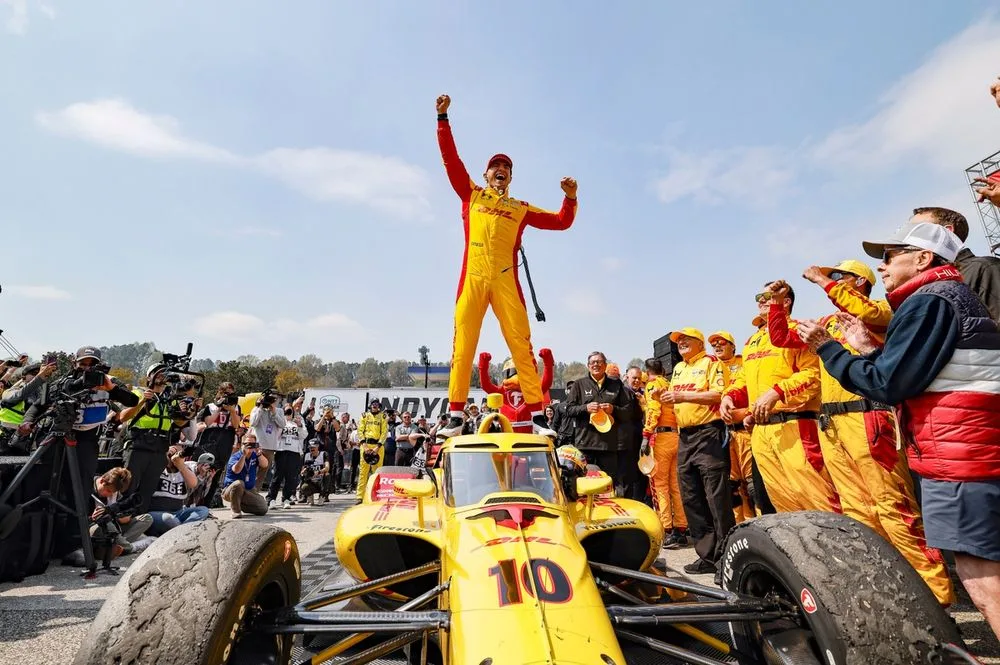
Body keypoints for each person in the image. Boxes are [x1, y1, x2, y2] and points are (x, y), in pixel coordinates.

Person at [798, 222, 1000, 637]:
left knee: (979, 571)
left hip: (957, 453)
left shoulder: (929, 300)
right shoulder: (942, 298)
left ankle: (934, 604)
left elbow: (888, 383)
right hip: (959, 444)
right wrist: (872, 351)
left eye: (890, 256)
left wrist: (828, 347)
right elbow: (916, 370)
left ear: (924, 259)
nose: (884, 265)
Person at [768, 274, 954, 605]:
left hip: (869, 416)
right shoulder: (827, 321)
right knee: (856, 513)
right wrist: (779, 304)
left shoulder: (881, 313)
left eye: (839, 275)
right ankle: (886, 594)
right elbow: (781, 338)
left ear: (859, 282)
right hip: (833, 424)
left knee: (893, 508)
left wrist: (822, 280)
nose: (832, 281)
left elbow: (863, 312)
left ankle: (936, 599)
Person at [435, 93, 578, 437]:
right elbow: (451, 160)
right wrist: (442, 119)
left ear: (510, 177)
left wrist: (570, 198)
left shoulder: (519, 208)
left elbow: (561, 221)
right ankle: (455, 415)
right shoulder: (471, 194)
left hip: (505, 280)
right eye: (496, 167)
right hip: (472, 277)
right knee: (463, 343)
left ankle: (538, 416)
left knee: (521, 344)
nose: (502, 170)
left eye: (507, 168)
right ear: (486, 174)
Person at [720, 286, 842, 515]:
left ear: (785, 301)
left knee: (815, 496)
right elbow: (743, 378)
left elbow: (813, 375)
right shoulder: (753, 341)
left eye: (768, 296)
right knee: (778, 503)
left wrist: (778, 391)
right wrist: (729, 396)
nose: (762, 301)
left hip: (795, 426)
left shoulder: (799, 331)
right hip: (761, 432)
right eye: (759, 297)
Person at [659, 329, 732, 577]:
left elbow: (719, 394)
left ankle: (726, 557)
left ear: (699, 343)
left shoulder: (711, 363)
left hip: (709, 433)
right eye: (677, 341)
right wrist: (665, 397)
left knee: (716, 497)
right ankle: (707, 556)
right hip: (685, 437)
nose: (680, 343)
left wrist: (682, 395)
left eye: (685, 339)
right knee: (691, 497)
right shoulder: (678, 369)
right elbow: (676, 400)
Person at [909, 207, 1000, 323]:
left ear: (947, 232)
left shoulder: (985, 269)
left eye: (918, 230)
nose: (907, 238)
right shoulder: (925, 283)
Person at [707, 331, 754, 523]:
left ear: (733, 346)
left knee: (751, 483)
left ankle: (758, 522)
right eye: (715, 345)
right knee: (731, 484)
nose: (718, 347)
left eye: (722, 344)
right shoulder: (710, 367)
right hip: (722, 433)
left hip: (744, 429)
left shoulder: (744, 364)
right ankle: (739, 524)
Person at [562, 352, 631, 481]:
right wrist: (585, 408)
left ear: (605, 365)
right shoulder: (579, 384)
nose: (596, 365)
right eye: (592, 362)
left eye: (599, 362)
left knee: (608, 484)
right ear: (588, 366)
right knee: (585, 483)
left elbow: (627, 412)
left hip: (608, 445)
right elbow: (568, 410)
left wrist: (613, 409)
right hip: (585, 444)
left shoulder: (617, 385)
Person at [119, 363, 178, 513]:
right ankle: (120, 521)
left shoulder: (170, 399)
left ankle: (140, 523)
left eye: (164, 374)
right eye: (157, 373)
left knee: (147, 490)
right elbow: (123, 416)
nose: (161, 377)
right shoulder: (139, 393)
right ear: (149, 377)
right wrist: (142, 401)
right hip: (138, 446)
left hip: (159, 448)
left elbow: (180, 423)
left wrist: (189, 411)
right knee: (128, 487)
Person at [643, 358, 686, 547]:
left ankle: (667, 528)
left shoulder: (652, 385)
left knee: (659, 485)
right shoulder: (670, 384)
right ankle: (681, 527)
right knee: (676, 485)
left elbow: (654, 410)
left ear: (647, 371)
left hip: (660, 438)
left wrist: (646, 435)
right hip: (676, 436)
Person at [477, 349, 555, 433]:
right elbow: (486, 385)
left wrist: (548, 362)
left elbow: (546, 383)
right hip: (508, 431)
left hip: (529, 431)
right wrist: (483, 366)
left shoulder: (532, 389)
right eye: (511, 372)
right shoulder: (502, 391)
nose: (515, 376)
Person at [193, 382, 241, 507]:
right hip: (209, 441)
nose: (229, 396)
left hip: (225, 443)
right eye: (226, 394)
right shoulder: (211, 406)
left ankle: (206, 506)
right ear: (220, 393)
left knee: (215, 475)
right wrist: (219, 407)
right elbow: (207, 422)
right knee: (203, 473)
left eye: (231, 394)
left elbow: (236, 425)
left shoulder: (236, 407)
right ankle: (194, 503)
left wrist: (232, 411)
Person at [147, 446, 212, 535]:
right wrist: (165, 455)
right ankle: (184, 531)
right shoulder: (157, 467)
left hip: (178, 512)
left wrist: (180, 465)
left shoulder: (184, 469)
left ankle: (181, 530)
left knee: (203, 510)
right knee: (170, 520)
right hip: (156, 513)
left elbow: (193, 483)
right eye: (171, 454)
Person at [222, 431, 270, 518]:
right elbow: (236, 470)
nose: (250, 446)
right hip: (230, 490)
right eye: (247, 444)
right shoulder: (235, 456)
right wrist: (243, 456)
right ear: (242, 445)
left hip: (249, 490)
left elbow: (265, 464)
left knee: (263, 509)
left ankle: (239, 503)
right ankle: (235, 510)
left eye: (252, 444)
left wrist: (259, 453)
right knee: (239, 484)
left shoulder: (255, 455)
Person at [269, 406, 308, 509]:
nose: (288, 413)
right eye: (286, 411)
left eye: (290, 411)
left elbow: (304, 435)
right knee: (278, 476)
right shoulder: (280, 421)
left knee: (291, 477)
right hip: (281, 451)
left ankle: (286, 499)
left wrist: (299, 425)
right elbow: (275, 435)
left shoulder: (298, 421)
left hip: (294, 452)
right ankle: (271, 499)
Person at [355, 399, 388, 503]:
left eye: (377, 404)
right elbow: (360, 430)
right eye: (373, 404)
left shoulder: (383, 416)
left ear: (379, 406)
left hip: (378, 446)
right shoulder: (364, 415)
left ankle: (377, 494)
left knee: (377, 472)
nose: (375, 406)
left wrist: (378, 446)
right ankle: (360, 496)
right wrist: (364, 445)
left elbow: (384, 432)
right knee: (363, 471)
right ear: (370, 405)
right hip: (365, 445)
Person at [299, 440, 330, 505]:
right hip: (311, 481)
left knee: (327, 475)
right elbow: (302, 469)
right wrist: (304, 472)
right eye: (310, 447)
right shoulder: (306, 456)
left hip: (321, 481)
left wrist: (318, 472)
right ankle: (309, 496)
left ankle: (322, 496)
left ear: (318, 446)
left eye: (313, 447)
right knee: (304, 487)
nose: (311, 449)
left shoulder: (324, 454)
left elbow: (327, 468)